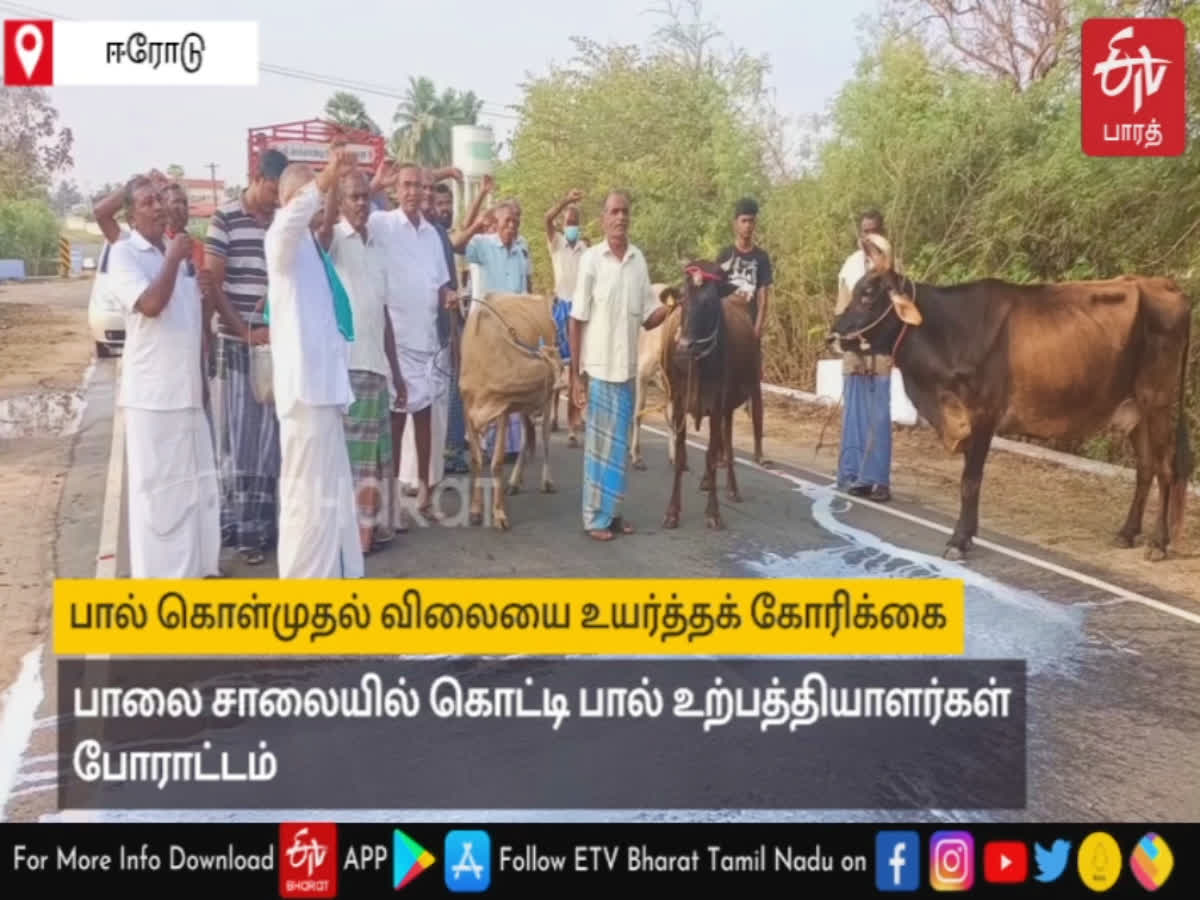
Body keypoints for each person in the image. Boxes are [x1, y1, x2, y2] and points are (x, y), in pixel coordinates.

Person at [106, 175, 220, 577]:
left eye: (160, 200)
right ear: (132, 214)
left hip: (187, 394)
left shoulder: (175, 253)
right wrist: (173, 260)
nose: (158, 207)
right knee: (159, 495)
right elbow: (151, 305)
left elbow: (191, 328)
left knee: (195, 490)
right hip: (153, 398)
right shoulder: (125, 254)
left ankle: (196, 571)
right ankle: (160, 582)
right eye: (148, 202)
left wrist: (201, 291)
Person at [266, 148, 364, 578]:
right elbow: (293, 216)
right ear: (290, 197)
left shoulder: (309, 246)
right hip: (304, 396)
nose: (318, 195)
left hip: (324, 393)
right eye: (308, 190)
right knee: (306, 501)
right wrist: (323, 178)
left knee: (330, 499)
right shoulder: (281, 239)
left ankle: (333, 582)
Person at [568, 190, 672, 540]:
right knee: (598, 450)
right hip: (597, 370)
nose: (620, 217)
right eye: (613, 211)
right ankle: (593, 518)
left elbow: (647, 317)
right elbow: (576, 318)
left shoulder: (638, 260)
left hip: (626, 370)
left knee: (617, 450)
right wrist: (575, 376)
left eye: (625, 211)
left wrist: (673, 307)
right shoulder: (592, 260)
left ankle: (612, 514)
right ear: (603, 219)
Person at [204, 148, 289, 566]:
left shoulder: (278, 223)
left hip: (274, 348)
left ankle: (267, 526)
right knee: (242, 442)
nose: (277, 198)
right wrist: (245, 332)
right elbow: (213, 285)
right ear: (256, 177)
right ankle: (244, 531)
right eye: (273, 189)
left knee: (273, 440)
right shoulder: (225, 219)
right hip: (238, 346)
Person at [318, 168, 405, 555]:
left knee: (374, 456)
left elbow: (383, 314)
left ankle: (371, 530)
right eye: (352, 197)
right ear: (340, 201)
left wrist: (397, 372)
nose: (360, 205)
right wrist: (332, 186)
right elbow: (319, 237)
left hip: (376, 365)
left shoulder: (378, 249)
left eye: (363, 198)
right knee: (355, 460)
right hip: (347, 365)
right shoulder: (333, 239)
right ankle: (357, 535)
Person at [370, 162, 456, 523]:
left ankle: (425, 491)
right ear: (396, 189)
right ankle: (389, 503)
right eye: (406, 185)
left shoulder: (434, 235)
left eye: (419, 187)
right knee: (394, 419)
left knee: (425, 418)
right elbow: (353, 208)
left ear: (426, 193)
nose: (412, 192)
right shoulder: (382, 224)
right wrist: (376, 183)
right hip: (394, 339)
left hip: (428, 339)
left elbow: (441, 286)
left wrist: (450, 299)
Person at [835, 209, 892, 502]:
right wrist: (847, 335)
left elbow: (896, 310)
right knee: (854, 414)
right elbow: (842, 309)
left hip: (880, 350)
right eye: (864, 231)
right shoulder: (850, 266)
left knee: (879, 415)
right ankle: (853, 475)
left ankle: (879, 479)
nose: (868, 237)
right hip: (854, 351)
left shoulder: (891, 267)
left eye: (874, 231)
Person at [717, 196, 773, 467]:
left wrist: (758, 327)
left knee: (754, 388)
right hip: (727, 330)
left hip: (749, 330)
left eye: (752, 221)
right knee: (722, 388)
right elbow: (714, 294)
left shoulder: (761, 258)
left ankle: (759, 448)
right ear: (735, 224)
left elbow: (764, 296)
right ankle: (720, 448)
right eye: (744, 220)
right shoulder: (725, 255)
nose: (748, 226)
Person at [432, 181, 471, 474]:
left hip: (451, 323)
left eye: (449, 204)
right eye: (440, 204)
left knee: (455, 387)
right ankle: (446, 452)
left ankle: (453, 448)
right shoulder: (431, 236)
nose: (445, 209)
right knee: (442, 392)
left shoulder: (441, 236)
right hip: (433, 330)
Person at [545, 188, 588, 447]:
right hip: (559, 307)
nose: (571, 226)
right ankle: (551, 413)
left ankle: (573, 425)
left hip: (578, 310)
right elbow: (547, 219)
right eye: (568, 222)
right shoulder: (557, 242)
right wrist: (566, 201)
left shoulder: (585, 249)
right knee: (554, 365)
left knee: (575, 368)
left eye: (575, 223)